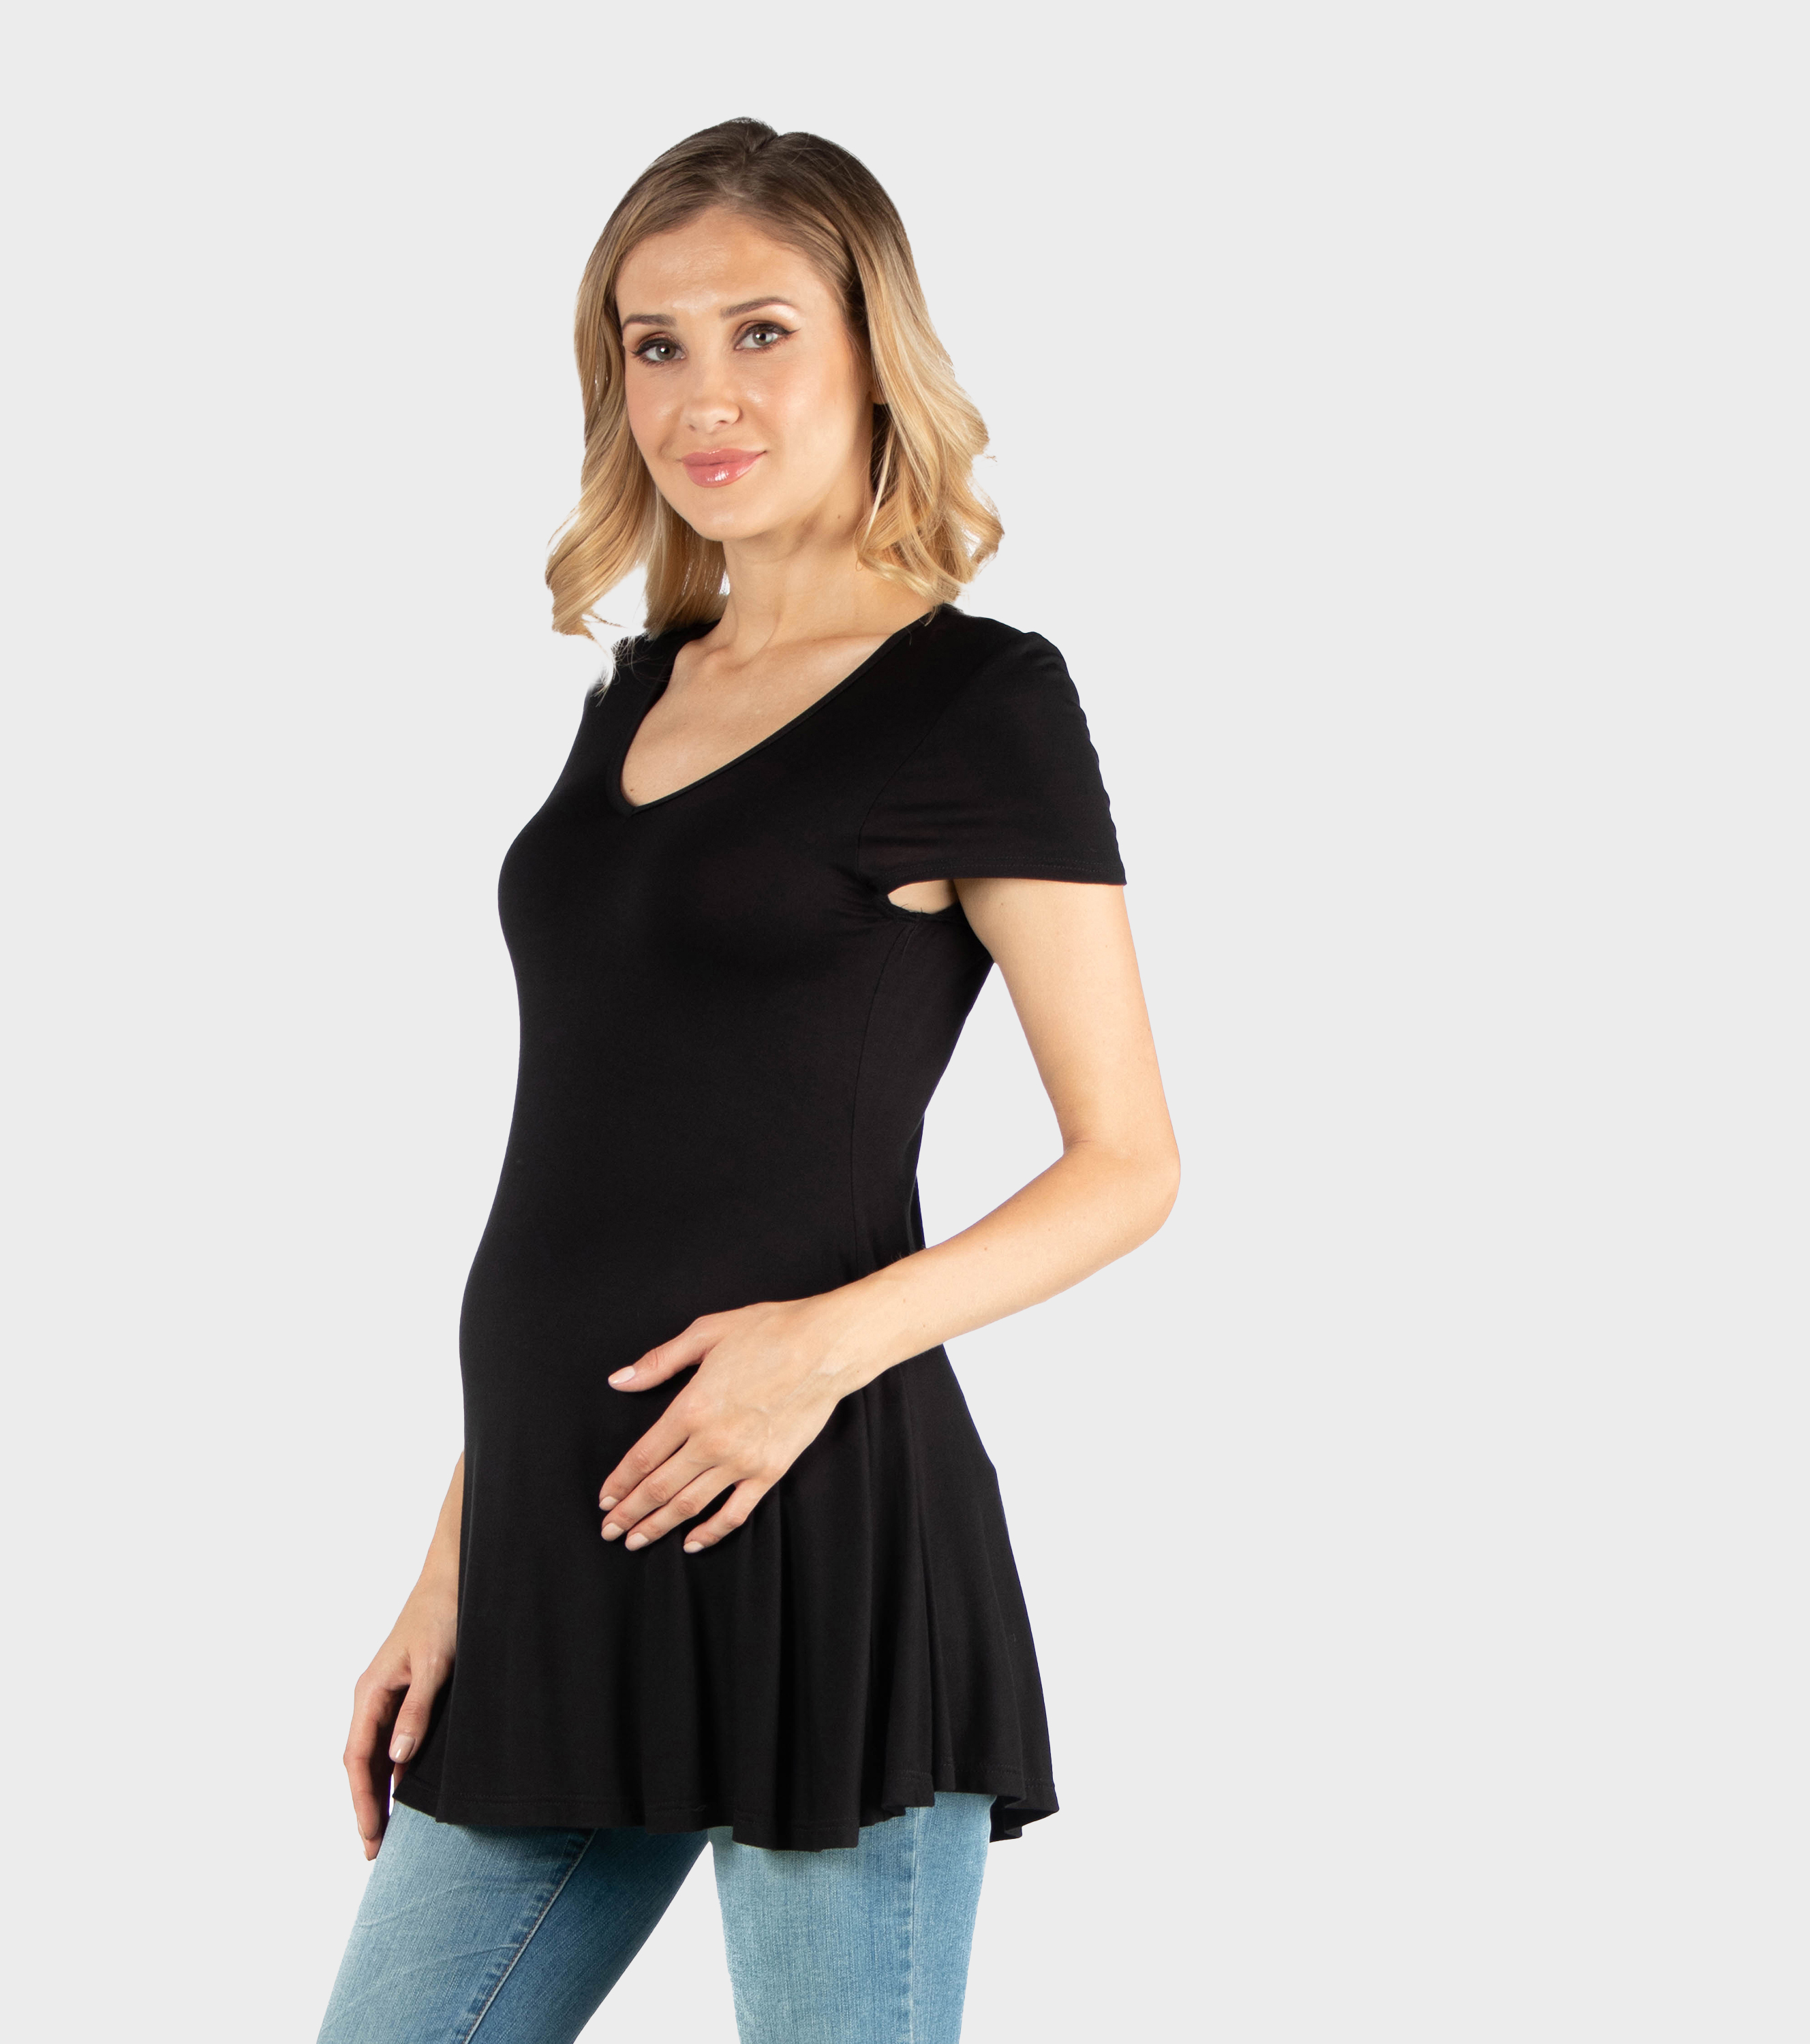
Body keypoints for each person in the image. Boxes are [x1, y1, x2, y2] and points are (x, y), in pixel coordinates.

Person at [316, 118, 1180, 2044]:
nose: (704, 395)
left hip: (819, 1541)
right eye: (656, 345)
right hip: (558, 1548)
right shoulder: (639, 690)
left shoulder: (979, 700)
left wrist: (818, 1350)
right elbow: (594, 1170)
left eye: (761, 332)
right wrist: (457, 1565)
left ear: (873, 351)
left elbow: (1129, 1161)